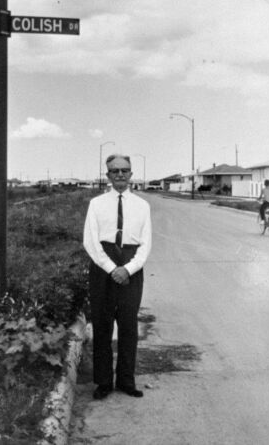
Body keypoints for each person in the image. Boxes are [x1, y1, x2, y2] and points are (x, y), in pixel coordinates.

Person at [83, 154, 152, 400]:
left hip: (131, 267)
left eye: (125, 170)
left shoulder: (142, 206)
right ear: (108, 175)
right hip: (103, 266)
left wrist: (128, 269)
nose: (120, 174)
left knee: (128, 325)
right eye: (115, 171)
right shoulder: (96, 204)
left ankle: (126, 380)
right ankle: (103, 382)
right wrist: (112, 268)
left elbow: (145, 245)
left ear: (131, 174)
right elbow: (90, 241)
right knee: (102, 325)